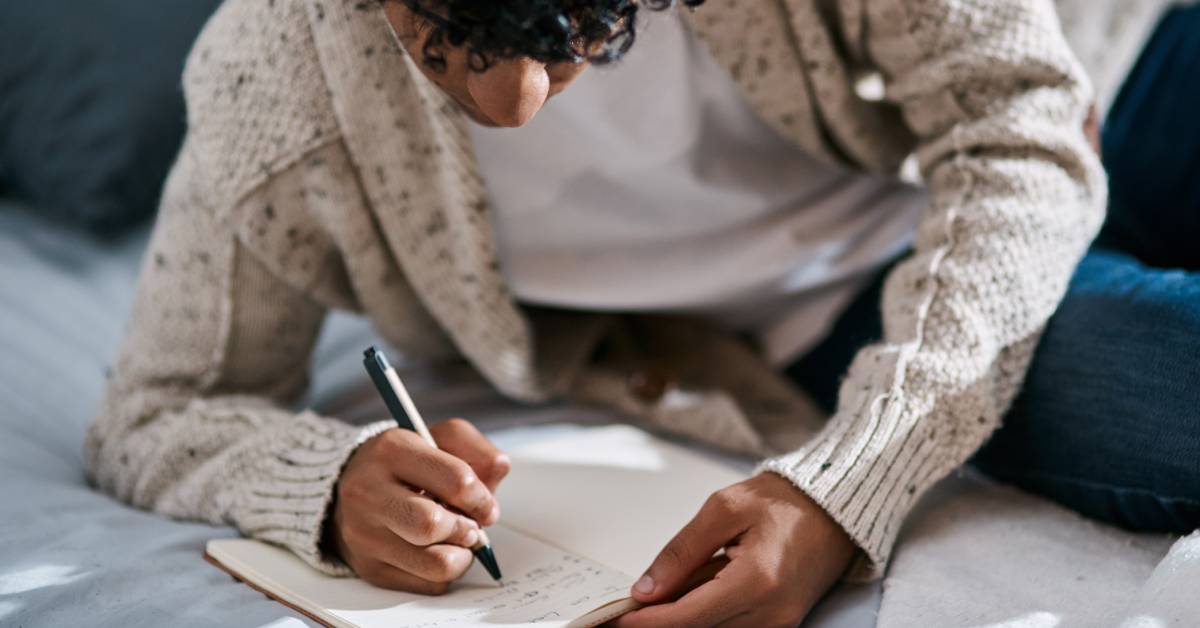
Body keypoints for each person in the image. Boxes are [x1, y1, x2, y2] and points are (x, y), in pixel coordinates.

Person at [85, 0, 1198, 625]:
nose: (509, 101)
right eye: (436, 33)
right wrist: (326, 486)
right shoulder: (269, 82)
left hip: (1108, 76)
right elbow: (156, 409)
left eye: (575, 27)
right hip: (857, 300)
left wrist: (842, 490)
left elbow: (1017, 123)